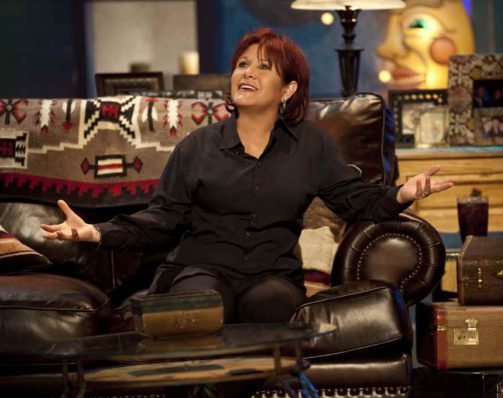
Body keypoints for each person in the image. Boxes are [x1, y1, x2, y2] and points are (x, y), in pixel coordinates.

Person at [41, 28, 454, 324]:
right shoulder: (197, 146)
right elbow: (161, 220)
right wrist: (96, 232)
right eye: (242, 65)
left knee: (271, 306)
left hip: (272, 274)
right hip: (201, 270)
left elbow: (354, 200)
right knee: (202, 304)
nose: (247, 73)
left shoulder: (311, 145)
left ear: (288, 90)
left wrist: (403, 194)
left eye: (263, 67)